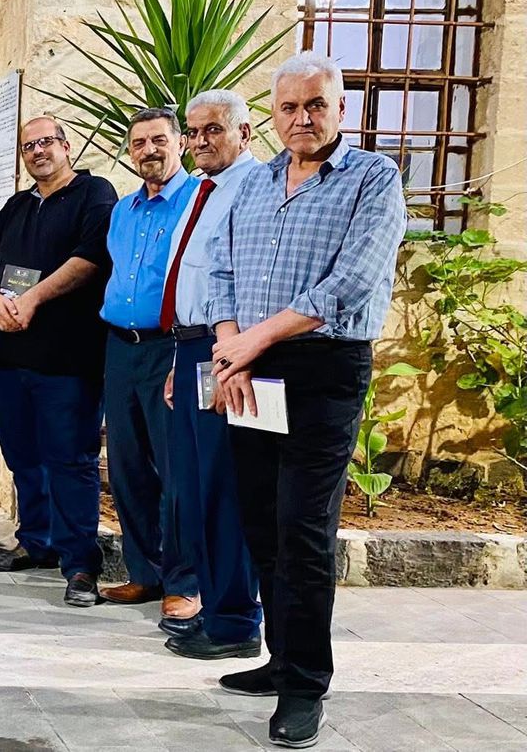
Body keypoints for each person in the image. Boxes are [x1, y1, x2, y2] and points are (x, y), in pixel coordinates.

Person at [208, 53, 405, 748]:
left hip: (322, 367)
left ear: (340, 109)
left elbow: (352, 281)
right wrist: (229, 349)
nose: (302, 118)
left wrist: (251, 340)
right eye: (289, 107)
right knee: (262, 521)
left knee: (303, 528)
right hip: (249, 367)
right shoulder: (254, 183)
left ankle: (305, 685)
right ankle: (281, 657)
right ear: (272, 114)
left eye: (316, 105)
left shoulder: (373, 178)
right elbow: (221, 270)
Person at [0, 117, 116, 607]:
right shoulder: (17, 204)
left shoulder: (94, 193)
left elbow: (91, 258)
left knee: (70, 460)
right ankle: (37, 541)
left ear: (66, 146)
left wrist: (32, 298)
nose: (38, 151)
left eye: (46, 142)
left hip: (66, 359)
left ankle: (80, 565)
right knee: (23, 458)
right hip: (8, 356)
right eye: (28, 145)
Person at [159, 89, 264, 663]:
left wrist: (229, 359)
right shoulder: (204, 189)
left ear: (244, 133)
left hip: (225, 348)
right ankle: (215, 606)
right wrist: (180, 361)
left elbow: (245, 280)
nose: (200, 141)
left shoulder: (256, 187)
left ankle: (236, 622)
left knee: (224, 489)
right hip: (191, 348)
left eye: (214, 130)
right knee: (195, 488)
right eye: (194, 131)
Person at [96, 108, 201, 632]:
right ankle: (145, 572)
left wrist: (185, 352)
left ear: (180, 142)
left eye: (158, 139)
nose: (148, 150)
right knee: (127, 467)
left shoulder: (197, 200)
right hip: (121, 347)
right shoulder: (124, 209)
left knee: (177, 468)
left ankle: (185, 582)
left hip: (170, 347)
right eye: (138, 143)